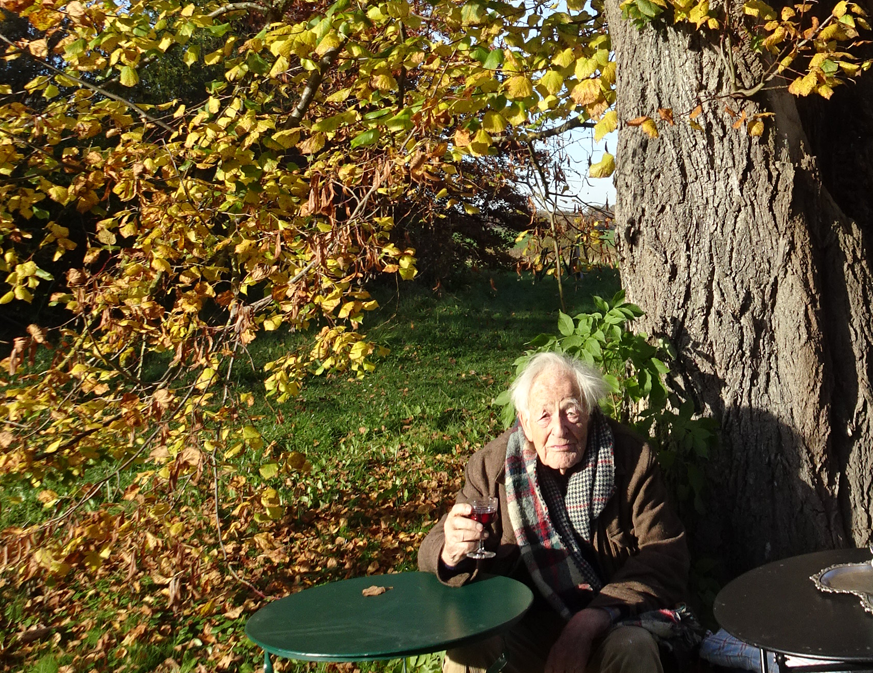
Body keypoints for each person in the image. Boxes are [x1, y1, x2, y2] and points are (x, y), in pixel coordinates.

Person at [418, 352, 690, 673]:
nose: (559, 429)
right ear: (525, 423)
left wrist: (591, 620)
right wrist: (451, 552)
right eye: (544, 415)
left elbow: (665, 556)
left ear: (589, 411)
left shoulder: (632, 459)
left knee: (634, 647)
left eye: (571, 412)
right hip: (523, 629)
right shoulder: (492, 467)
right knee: (468, 645)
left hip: (611, 621)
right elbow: (432, 551)